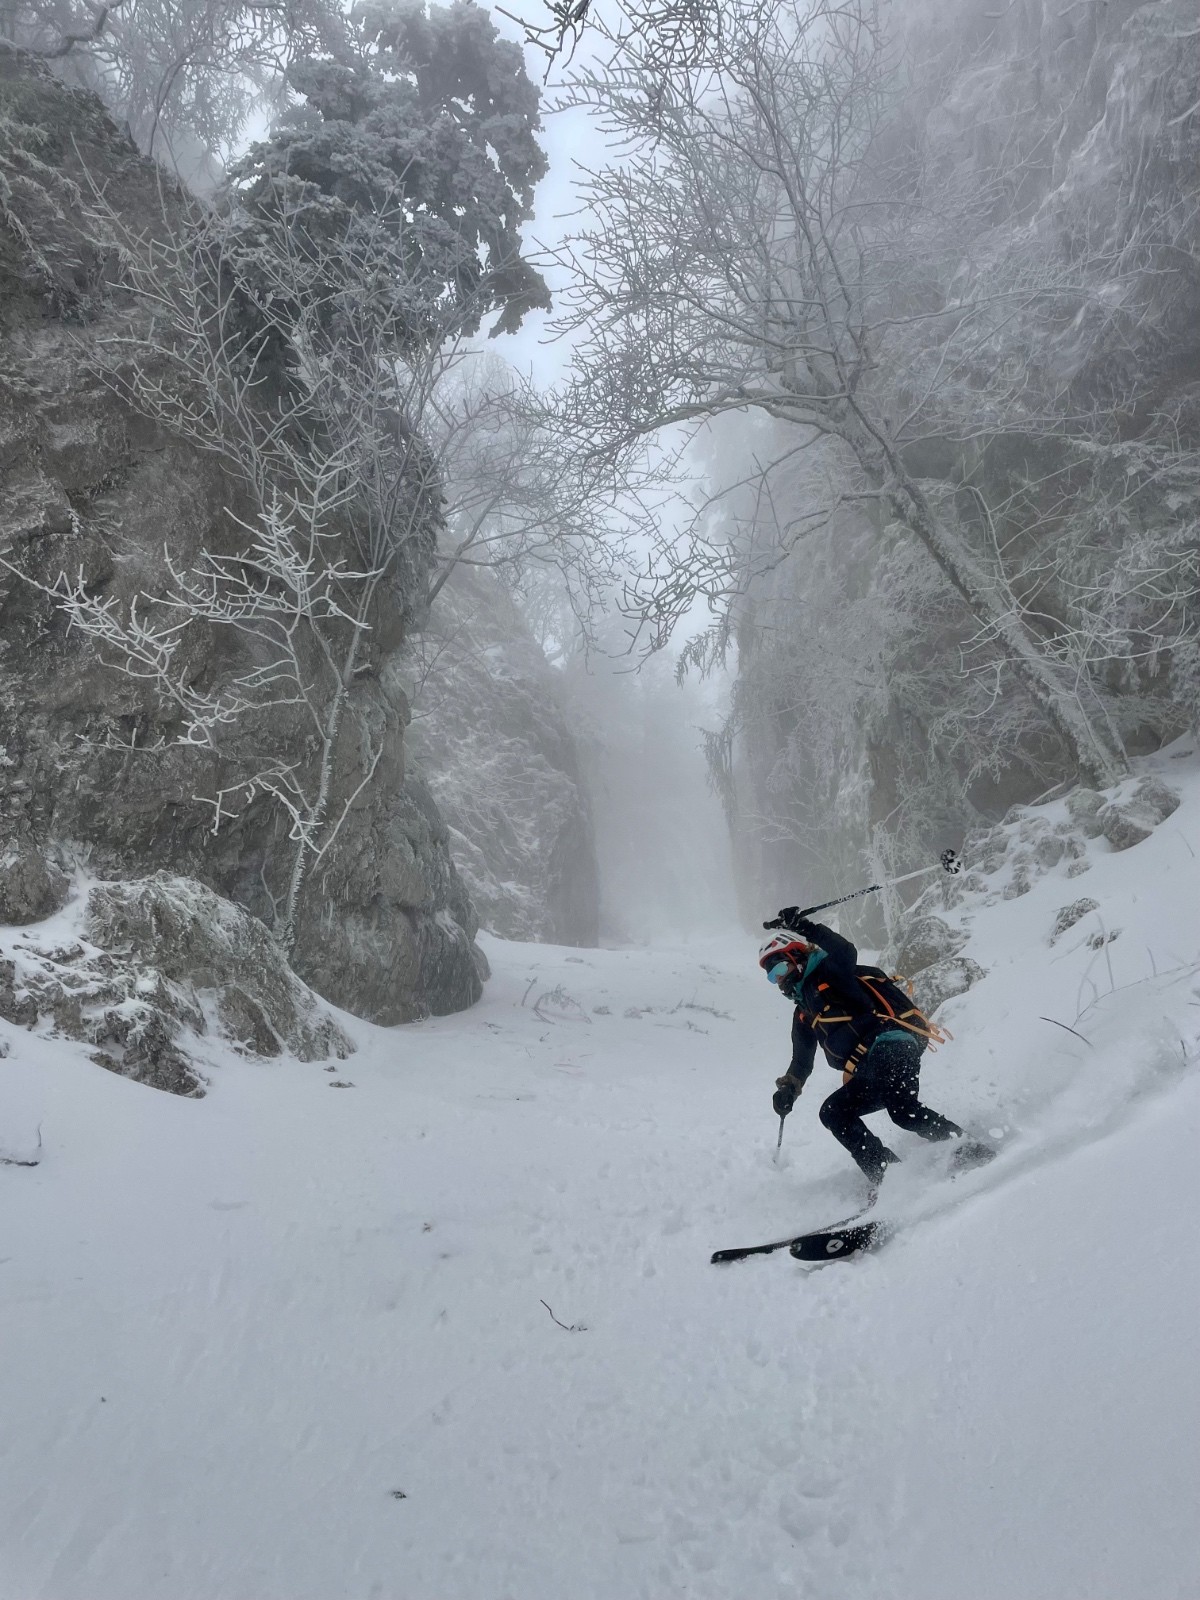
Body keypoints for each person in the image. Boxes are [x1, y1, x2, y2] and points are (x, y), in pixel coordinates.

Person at [760, 913, 972, 1188]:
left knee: (902, 1111)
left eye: (779, 968)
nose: (778, 979)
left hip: (892, 1044)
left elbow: (845, 951)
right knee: (834, 1112)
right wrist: (789, 1088)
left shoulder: (829, 972)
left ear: (796, 957)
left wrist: (806, 927)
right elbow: (801, 1061)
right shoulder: (803, 1013)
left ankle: (968, 1148)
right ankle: (890, 1178)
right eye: (771, 976)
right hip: (866, 1067)